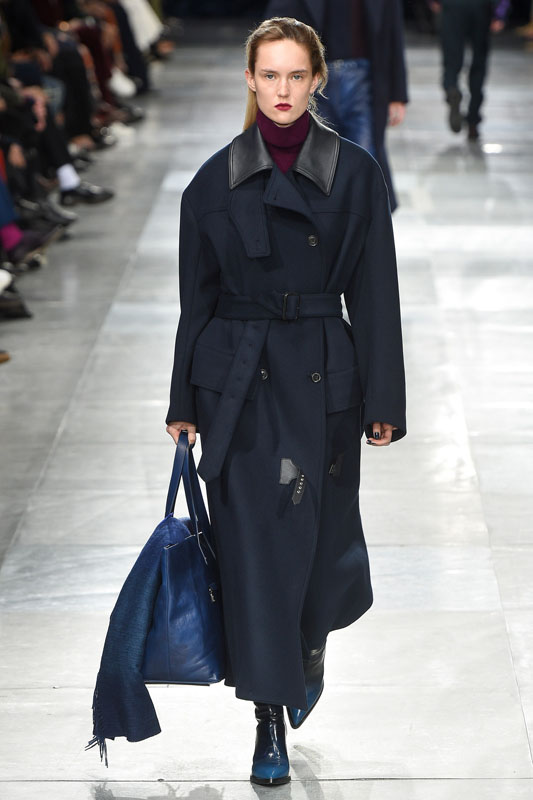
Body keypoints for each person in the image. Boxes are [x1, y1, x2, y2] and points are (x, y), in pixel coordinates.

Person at [165, 16, 406, 787]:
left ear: (316, 80)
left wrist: (384, 397)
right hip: (235, 382)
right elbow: (196, 301)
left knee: (322, 540)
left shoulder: (355, 174)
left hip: (322, 372)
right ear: (249, 79)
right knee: (254, 556)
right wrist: (182, 399)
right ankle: (266, 719)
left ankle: (309, 644)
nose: (281, 90)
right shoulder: (212, 182)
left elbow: (375, 292)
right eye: (268, 75)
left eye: (295, 75)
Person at [264, 0, 408, 212]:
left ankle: (360, 228)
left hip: (362, 78)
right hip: (314, 78)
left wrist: (397, 94)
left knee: (362, 163)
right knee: (314, 166)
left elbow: (392, 28)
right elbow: (276, 23)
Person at [428, 0, 509, 140]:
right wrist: (499, 13)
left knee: (452, 59)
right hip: (481, 7)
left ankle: (451, 87)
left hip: (453, 6)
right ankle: (473, 120)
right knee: (479, 62)